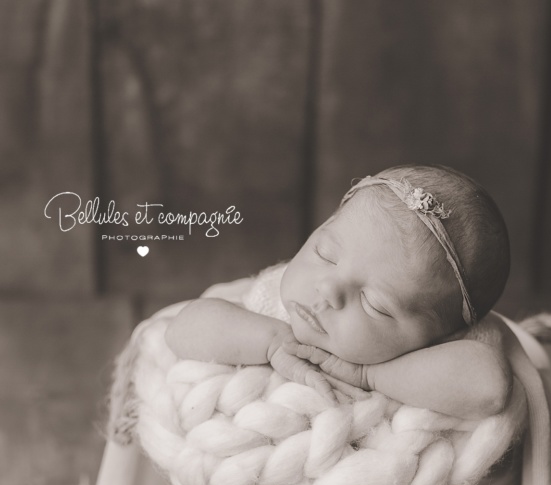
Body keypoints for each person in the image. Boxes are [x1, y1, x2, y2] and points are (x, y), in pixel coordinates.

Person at [165, 165, 512, 420]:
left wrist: (368, 376)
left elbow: (490, 388)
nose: (328, 288)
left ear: (441, 337)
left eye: (375, 304)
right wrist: (271, 342)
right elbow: (180, 330)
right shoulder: (272, 302)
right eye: (324, 254)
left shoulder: (425, 360)